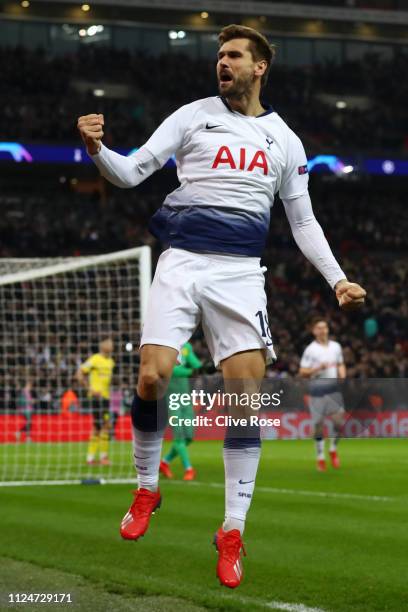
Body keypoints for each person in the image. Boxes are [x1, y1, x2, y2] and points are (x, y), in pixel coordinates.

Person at [77, 24, 366, 588]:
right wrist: (96, 151)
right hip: (182, 260)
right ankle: (146, 489)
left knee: (244, 400)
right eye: (220, 55)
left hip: (239, 274)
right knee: (152, 377)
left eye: (234, 55)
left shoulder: (284, 139)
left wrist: (338, 280)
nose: (223, 63)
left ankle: (232, 529)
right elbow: (133, 171)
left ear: (260, 67)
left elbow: (302, 221)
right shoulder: (192, 115)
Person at [299, 318, 347, 472]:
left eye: (324, 327)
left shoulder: (336, 347)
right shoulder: (310, 350)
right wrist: (317, 368)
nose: (322, 330)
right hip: (317, 392)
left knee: (339, 423)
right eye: (319, 328)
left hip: (333, 390)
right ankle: (320, 458)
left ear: (327, 329)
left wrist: (342, 374)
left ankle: (332, 448)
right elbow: (303, 372)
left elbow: (340, 363)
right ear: (314, 331)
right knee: (318, 426)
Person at [160, 341, 202, 481]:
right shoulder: (165, 347)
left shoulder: (186, 347)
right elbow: (170, 370)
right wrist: (191, 371)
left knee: (189, 437)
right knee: (179, 436)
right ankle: (189, 469)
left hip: (185, 398)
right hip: (172, 400)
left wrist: (204, 367)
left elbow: (193, 362)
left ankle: (164, 462)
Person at [76, 337, 115, 466]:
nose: (111, 344)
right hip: (96, 398)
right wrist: (90, 389)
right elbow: (78, 374)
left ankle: (95, 458)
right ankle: (94, 458)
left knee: (103, 426)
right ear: (102, 345)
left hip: (105, 398)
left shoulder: (111, 362)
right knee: (102, 426)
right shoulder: (95, 359)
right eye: (108, 342)